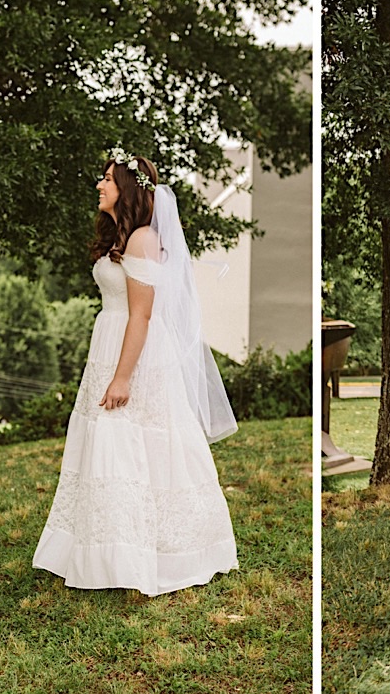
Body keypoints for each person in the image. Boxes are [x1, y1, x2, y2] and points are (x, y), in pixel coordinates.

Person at [32, 150, 238, 593]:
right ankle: (104, 549)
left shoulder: (143, 239)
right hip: (109, 340)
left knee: (137, 443)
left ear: (126, 188)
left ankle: (150, 552)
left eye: (107, 178)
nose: (100, 185)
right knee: (110, 443)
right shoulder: (120, 239)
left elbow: (141, 315)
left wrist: (123, 376)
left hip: (135, 352)